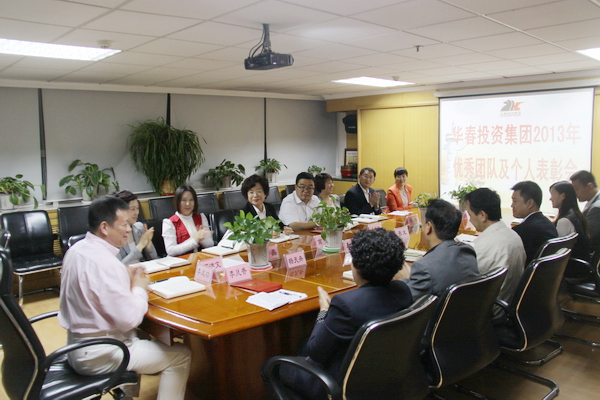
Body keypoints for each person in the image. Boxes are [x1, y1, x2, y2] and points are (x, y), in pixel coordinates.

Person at [58, 196, 191, 400]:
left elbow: (95, 287)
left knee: (139, 337)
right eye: (124, 224)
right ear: (104, 227)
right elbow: (130, 320)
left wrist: (123, 275)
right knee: (181, 356)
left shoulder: (76, 250)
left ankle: (127, 395)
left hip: (76, 346)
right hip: (102, 353)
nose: (129, 229)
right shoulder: (106, 264)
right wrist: (139, 288)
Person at [268, 229, 412, 399]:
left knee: (271, 367)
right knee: (301, 346)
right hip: (386, 376)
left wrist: (323, 311)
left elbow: (315, 351)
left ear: (356, 266)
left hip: (341, 383)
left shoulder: (347, 305)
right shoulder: (404, 291)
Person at [403, 198, 478, 299]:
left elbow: (406, 300)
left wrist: (404, 279)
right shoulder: (468, 252)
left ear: (428, 227)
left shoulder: (424, 267)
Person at [464, 188, 526, 304]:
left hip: (489, 308)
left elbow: (465, 282)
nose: (470, 219)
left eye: (470, 214)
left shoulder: (483, 245)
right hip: (507, 303)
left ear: (482, 215)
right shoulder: (513, 235)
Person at [550, 181, 591, 280]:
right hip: (581, 268)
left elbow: (559, 252)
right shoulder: (576, 214)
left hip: (572, 270)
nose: (550, 198)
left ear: (562, 196)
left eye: (552, 194)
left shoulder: (564, 221)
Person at [510, 181, 558, 265]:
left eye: (515, 201)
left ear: (530, 203)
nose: (512, 205)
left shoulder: (523, 231)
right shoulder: (549, 224)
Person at [162, 185, 213, 256]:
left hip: (200, 258)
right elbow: (171, 251)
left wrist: (201, 238)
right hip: (181, 260)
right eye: (184, 200)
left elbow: (210, 244)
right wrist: (195, 239)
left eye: (191, 200)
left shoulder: (201, 217)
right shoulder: (169, 223)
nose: (188, 204)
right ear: (177, 201)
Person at [114, 189, 158, 265]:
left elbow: (154, 259)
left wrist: (148, 245)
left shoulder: (139, 227)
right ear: (120, 211)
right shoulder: (113, 235)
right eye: (133, 209)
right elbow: (119, 266)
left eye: (137, 208)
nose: (136, 213)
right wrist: (140, 245)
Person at [570, 170, 600, 260]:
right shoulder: (592, 202)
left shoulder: (596, 208)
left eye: (576, 189)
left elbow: (587, 236)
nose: (575, 194)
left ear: (589, 186)